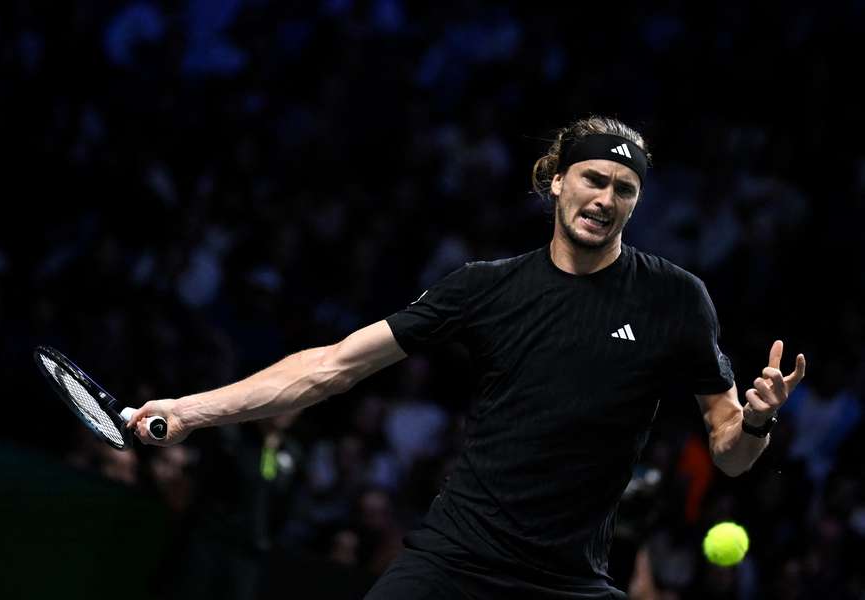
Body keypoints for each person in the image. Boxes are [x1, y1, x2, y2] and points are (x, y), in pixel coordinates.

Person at [127, 116, 806, 599]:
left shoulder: (676, 299)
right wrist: (190, 411)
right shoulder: (485, 288)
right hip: (455, 559)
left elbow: (730, 452)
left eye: (624, 189)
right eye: (594, 178)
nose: (605, 198)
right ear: (558, 181)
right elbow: (329, 367)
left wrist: (754, 420)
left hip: (569, 578)